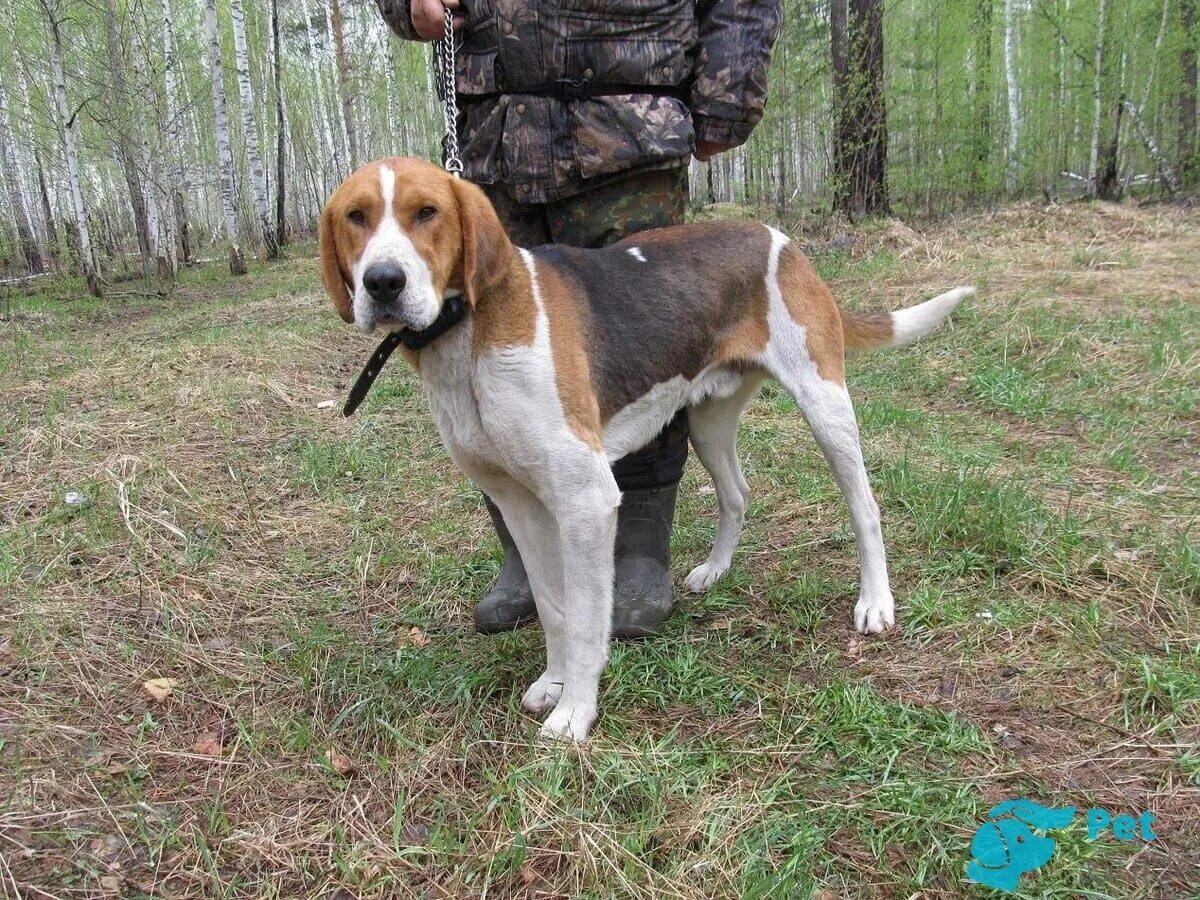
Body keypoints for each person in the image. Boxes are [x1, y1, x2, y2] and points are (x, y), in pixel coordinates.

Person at [375, 0, 782, 637]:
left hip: (628, 121)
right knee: (492, 366)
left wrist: (728, 95)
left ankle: (639, 544)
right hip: (497, 132)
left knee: (647, 348)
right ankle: (525, 549)